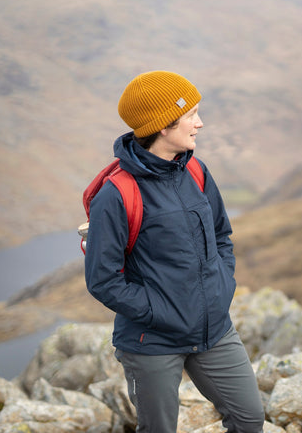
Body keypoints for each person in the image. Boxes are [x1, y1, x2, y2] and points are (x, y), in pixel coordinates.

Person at [84, 70, 265, 433]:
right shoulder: (117, 195)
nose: (200, 123)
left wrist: (221, 287)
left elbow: (222, 236)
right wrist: (159, 312)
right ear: (164, 126)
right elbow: (103, 280)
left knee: (249, 418)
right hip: (152, 341)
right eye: (191, 115)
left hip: (214, 331)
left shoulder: (195, 171)